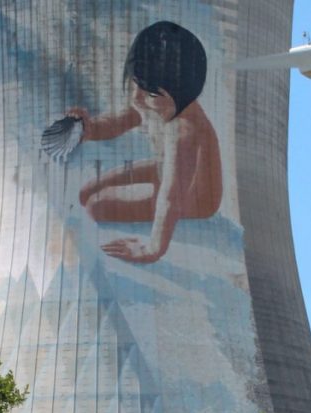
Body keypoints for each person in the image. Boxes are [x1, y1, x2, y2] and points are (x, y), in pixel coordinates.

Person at [68, 21, 222, 264]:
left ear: (180, 93)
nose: (136, 97)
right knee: (85, 191)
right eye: (135, 83)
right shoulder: (155, 103)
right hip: (164, 169)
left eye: (149, 92)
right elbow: (116, 122)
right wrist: (88, 128)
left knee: (97, 206)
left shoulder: (184, 131)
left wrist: (152, 248)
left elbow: (171, 198)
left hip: (192, 196)